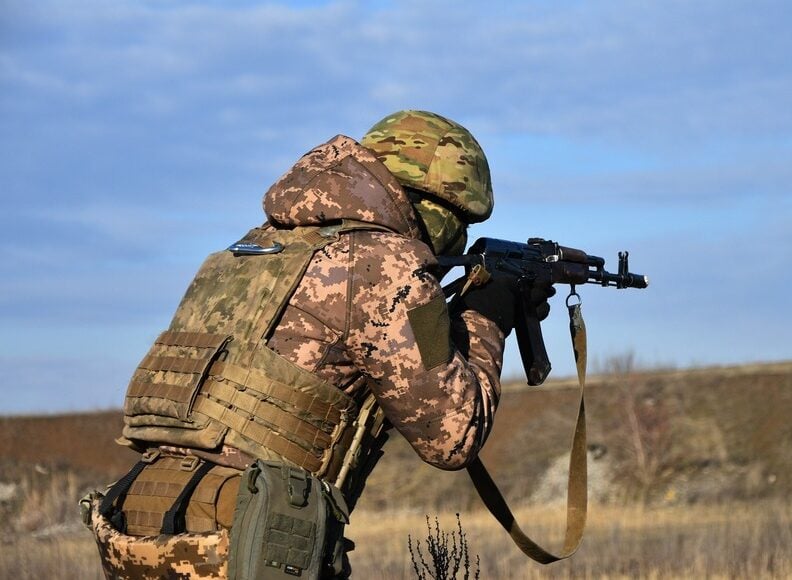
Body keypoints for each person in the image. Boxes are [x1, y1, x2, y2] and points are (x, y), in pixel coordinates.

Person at [81, 110, 553, 579]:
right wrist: (486, 314)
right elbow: (451, 435)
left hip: (142, 524)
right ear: (429, 205)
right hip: (242, 540)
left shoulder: (247, 251)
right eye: (459, 224)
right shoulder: (387, 265)